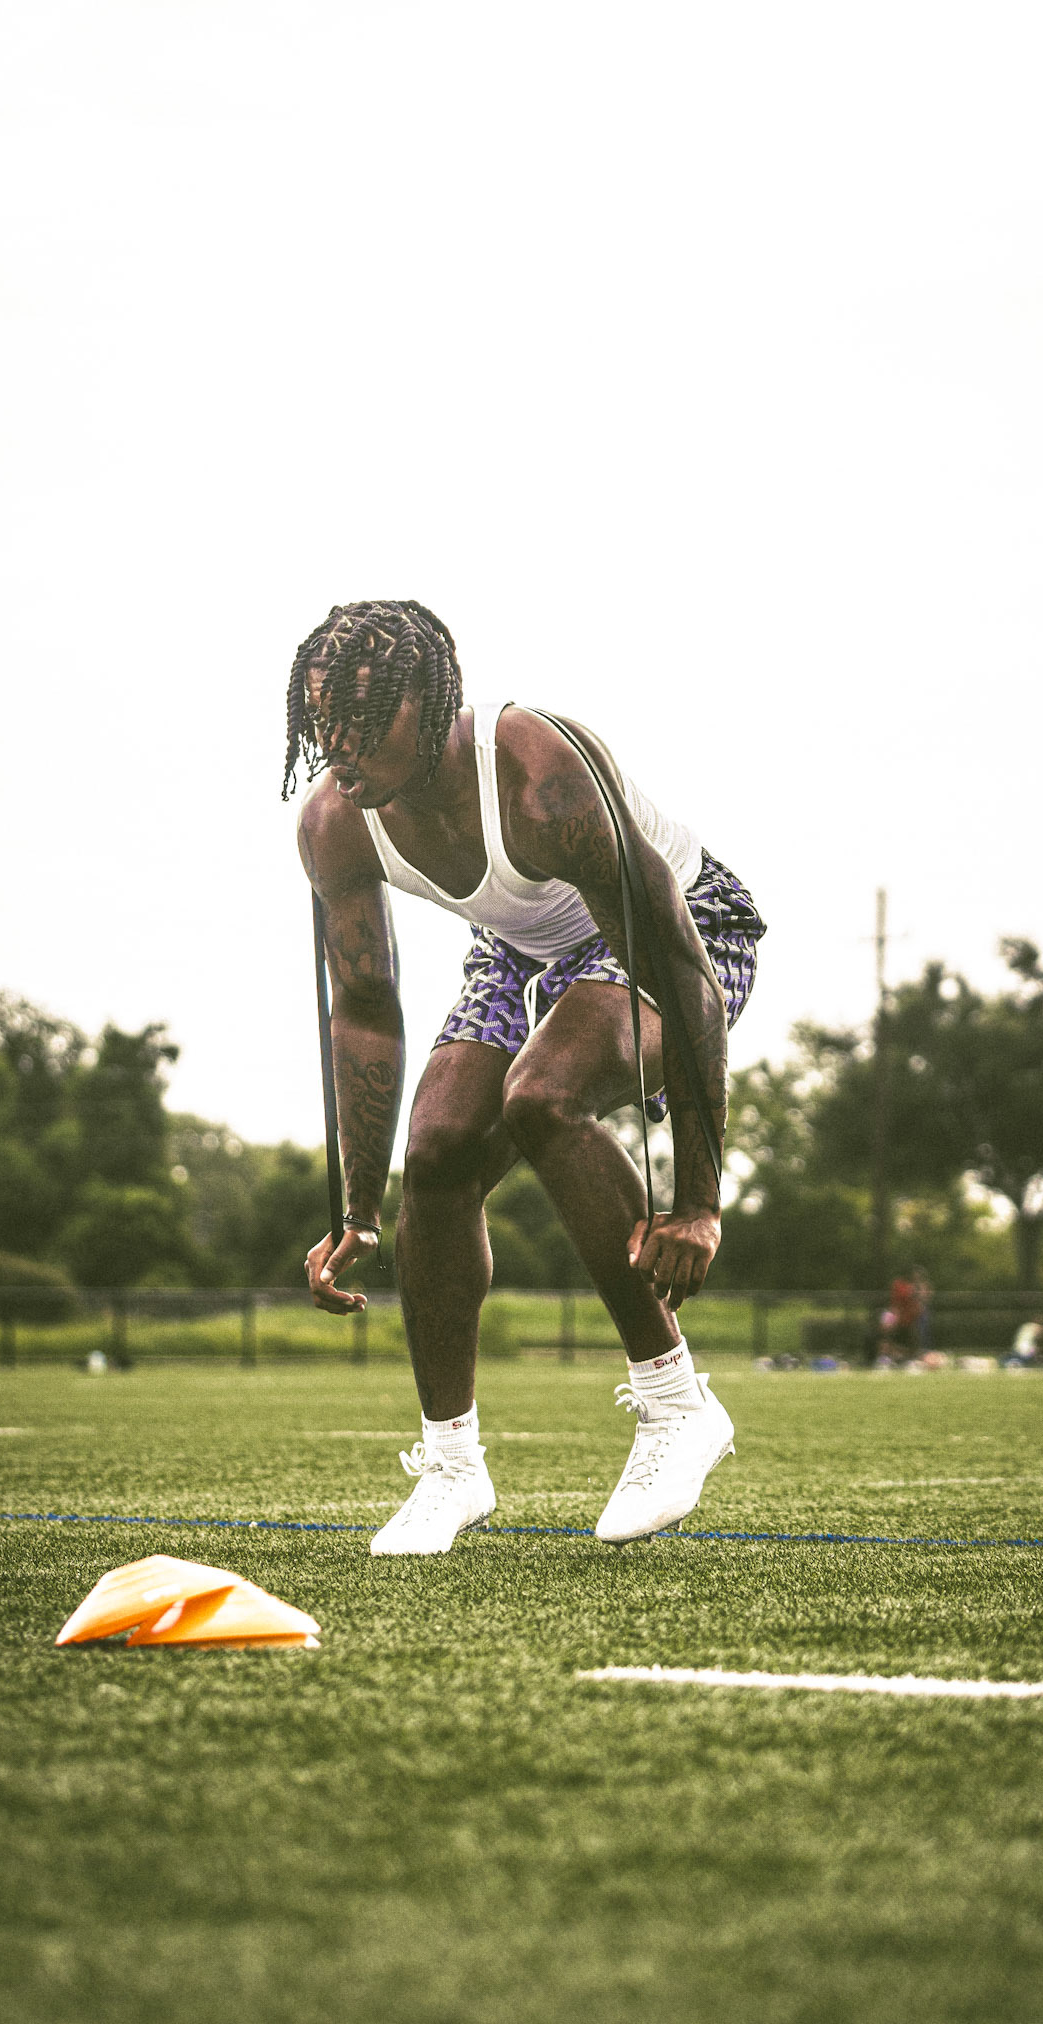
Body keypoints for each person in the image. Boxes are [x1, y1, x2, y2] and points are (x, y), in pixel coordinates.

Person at [284, 601, 766, 1555]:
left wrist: (696, 1205)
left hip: (686, 931)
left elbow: (681, 974)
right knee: (436, 1154)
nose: (338, 747)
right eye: (320, 720)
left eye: (363, 721)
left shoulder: (537, 774)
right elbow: (365, 1011)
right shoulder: (336, 821)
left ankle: (677, 1405)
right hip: (522, 949)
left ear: (431, 708)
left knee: (543, 1097)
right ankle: (451, 1468)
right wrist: (358, 1210)